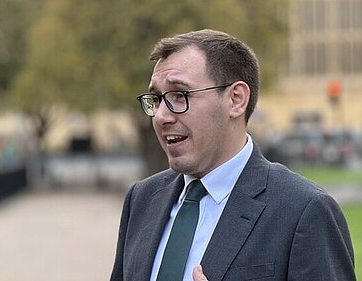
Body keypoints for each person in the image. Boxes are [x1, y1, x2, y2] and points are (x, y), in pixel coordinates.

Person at [110, 29, 355, 281]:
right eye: (158, 99)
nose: (161, 116)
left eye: (179, 95)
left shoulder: (304, 211)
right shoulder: (142, 199)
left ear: (236, 99)